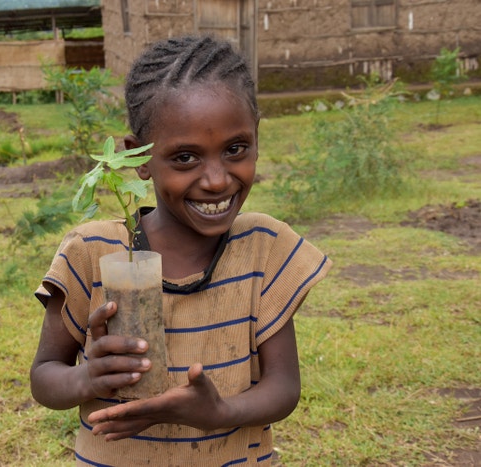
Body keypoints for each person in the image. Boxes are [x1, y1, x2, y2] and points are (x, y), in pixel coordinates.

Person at [30, 35, 332, 466]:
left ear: (257, 136)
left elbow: (283, 389)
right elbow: (44, 380)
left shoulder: (265, 249)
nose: (216, 180)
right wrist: (87, 378)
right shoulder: (92, 253)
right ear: (138, 158)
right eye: (186, 157)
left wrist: (218, 414)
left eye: (235, 149)